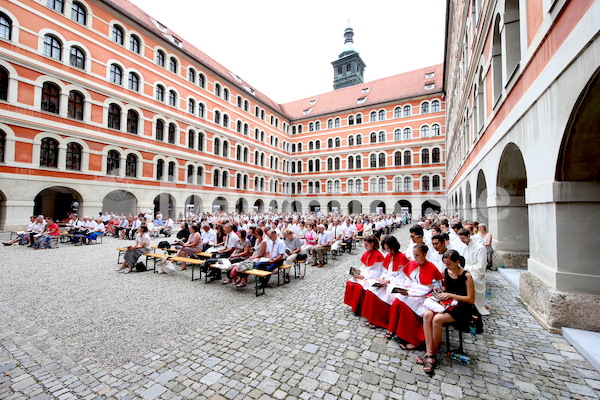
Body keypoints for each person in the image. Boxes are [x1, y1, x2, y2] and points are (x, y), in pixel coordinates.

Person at [419, 250, 480, 374]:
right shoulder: (446, 272)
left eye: (449, 264)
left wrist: (449, 294)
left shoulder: (466, 276)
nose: (447, 266)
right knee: (427, 314)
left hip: (462, 306)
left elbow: (470, 299)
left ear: (457, 262)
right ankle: (429, 351)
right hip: (448, 302)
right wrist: (439, 290)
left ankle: (432, 354)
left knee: (437, 319)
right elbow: (445, 288)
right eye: (445, 264)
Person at [387, 243, 444, 350]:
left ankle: (414, 339)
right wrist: (403, 288)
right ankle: (397, 331)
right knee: (396, 301)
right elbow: (409, 280)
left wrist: (409, 292)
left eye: (417, 255)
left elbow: (428, 288)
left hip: (423, 295)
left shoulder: (431, 268)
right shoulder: (412, 264)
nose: (415, 257)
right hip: (410, 291)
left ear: (425, 254)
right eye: (414, 254)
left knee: (405, 305)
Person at [361, 236, 409, 330]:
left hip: (396, 283)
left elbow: (401, 276)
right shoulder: (388, 256)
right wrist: (382, 278)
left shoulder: (402, 257)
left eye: (389, 248)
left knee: (382, 295)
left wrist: (388, 280)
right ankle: (371, 317)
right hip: (385, 280)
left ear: (394, 246)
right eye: (386, 249)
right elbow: (385, 270)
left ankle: (379, 320)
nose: (387, 251)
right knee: (371, 290)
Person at [343, 236, 384, 316]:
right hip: (364, 274)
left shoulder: (378, 255)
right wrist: (357, 273)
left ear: (372, 244)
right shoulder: (366, 253)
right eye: (364, 245)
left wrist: (363, 276)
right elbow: (364, 266)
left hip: (372, 276)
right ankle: (352, 304)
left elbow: (377, 271)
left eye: (366, 245)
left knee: (359, 286)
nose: (365, 247)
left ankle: (359, 308)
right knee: (350, 282)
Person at [458, 228, 490, 315]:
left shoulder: (480, 248)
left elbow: (481, 266)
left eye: (463, 238)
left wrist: (467, 269)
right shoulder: (462, 246)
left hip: (476, 273)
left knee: (472, 280)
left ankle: (475, 306)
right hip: (463, 270)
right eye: (460, 239)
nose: (462, 241)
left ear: (469, 236)